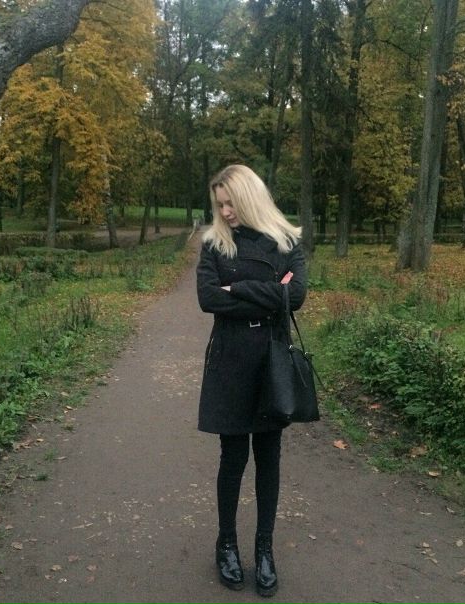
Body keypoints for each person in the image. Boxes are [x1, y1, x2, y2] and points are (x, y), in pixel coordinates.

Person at [196, 164, 307, 597]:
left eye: (231, 203)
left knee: (268, 455)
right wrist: (270, 294)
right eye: (219, 205)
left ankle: (264, 548)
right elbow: (208, 298)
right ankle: (226, 543)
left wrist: (236, 290)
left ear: (250, 197)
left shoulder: (286, 241)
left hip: (270, 361)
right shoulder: (214, 243)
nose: (225, 211)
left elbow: (296, 296)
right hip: (230, 359)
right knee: (233, 456)